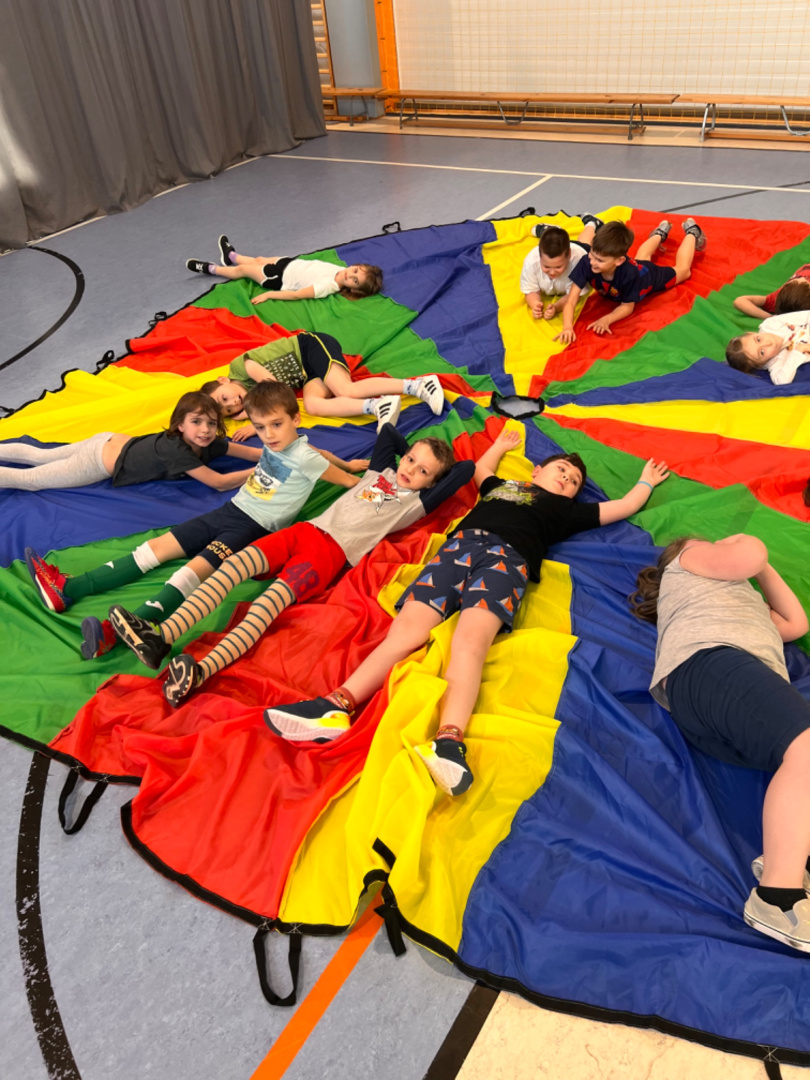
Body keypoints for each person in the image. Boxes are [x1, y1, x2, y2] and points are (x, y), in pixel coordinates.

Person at [264, 428, 669, 797]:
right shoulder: (503, 487)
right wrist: (500, 446)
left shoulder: (565, 511)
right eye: (561, 470)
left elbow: (623, 506)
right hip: (456, 550)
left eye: (574, 481)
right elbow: (481, 470)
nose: (566, 478)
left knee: (470, 643)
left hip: (506, 561)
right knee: (405, 633)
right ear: (537, 470)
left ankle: (448, 740)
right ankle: (337, 705)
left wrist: (646, 482)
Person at [108, 425, 476, 707]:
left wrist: (430, 472)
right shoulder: (381, 472)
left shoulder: (414, 503)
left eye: (423, 471)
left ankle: (201, 672)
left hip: (328, 554)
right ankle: (162, 637)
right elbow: (390, 434)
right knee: (231, 568)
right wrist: (407, 453)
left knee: (264, 607)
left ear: (432, 483)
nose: (411, 469)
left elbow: (465, 469)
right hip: (304, 531)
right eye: (410, 459)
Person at [25, 383, 365, 659]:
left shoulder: (304, 457)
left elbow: (339, 476)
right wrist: (346, 462)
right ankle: (69, 589)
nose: (269, 435)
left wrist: (359, 476)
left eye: (276, 425)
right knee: (155, 548)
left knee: (193, 571)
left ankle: (118, 632)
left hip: (252, 527)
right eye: (261, 427)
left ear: (295, 419)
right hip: (231, 510)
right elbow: (318, 454)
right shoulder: (283, 446)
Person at [629, 533, 810, 952]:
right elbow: (752, 553)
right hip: (711, 662)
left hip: (712, 703)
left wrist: (761, 569)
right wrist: (744, 543)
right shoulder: (688, 560)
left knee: (799, 760)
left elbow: (796, 624)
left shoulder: (743, 602)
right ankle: (777, 897)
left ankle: (790, 858)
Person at [199, 329, 445, 438]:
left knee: (345, 389)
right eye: (229, 410)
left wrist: (255, 420)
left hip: (311, 346)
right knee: (313, 405)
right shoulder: (248, 395)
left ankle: (419, 385)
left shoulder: (239, 367)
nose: (233, 403)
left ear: (223, 380)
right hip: (308, 373)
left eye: (225, 398)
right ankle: (378, 406)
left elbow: (271, 385)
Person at [0, 391, 260, 492]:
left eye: (212, 424)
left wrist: (279, 454)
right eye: (197, 422)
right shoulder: (177, 450)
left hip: (108, 440)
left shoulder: (208, 441)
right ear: (180, 425)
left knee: (39, 456)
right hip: (96, 460)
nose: (205, 430)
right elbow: (219, 483)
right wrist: (264, 471)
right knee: (30, 479)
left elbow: (251, 454)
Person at [555, 218, 707, 343]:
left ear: (619, 260)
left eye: (599, 260)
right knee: (642, 257)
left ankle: (692, 233)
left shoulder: (629, 274)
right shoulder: (587, 262)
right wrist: (567, 327)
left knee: (683, 271)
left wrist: (607, 319)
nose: (592, 262)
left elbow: (627, 306)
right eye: (592, 255)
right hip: (636, 266)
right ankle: (659, 233)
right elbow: (571, 299)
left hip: (648, 276)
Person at [185, 235, 383, 304]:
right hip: (288, 264)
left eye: (355, 280)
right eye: (355, 270)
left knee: (243, 270)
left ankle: (211, 268)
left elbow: (297, 294)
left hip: (278, 278)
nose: (350, 274)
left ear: (354, 289)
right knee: (258, 260)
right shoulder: (341, 269)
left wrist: (269, 294)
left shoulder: (328, 286)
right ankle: (231, 257)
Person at [521, 214, 603, 320]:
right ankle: (553, 232)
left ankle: (591, 223)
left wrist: (556, 307)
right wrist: (535, 304)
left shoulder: (580, 262)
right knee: (556, 241)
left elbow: (574, 296)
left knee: (584, 242)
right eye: (546, 267)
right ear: (539, 256)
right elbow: (531, 290)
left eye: (558, 267)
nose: (552, 272)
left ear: (569, 255)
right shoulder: (531, 262)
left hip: (579, 248)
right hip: (560, 249)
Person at [725, 310, 810, 384]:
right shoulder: (775, 362)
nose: (768, 343)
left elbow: (807, 315)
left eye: (758, 339)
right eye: (762, 352)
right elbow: (781, 381)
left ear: (752, 333)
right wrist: (798, 352)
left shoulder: (770, 325)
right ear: (761, 364)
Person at [733, 264, 810, 319]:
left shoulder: (776, 299)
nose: (803, 277)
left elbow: (739, 301)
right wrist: (770, 318)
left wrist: (769, 317)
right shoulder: (779, 299)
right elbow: (739, 302)